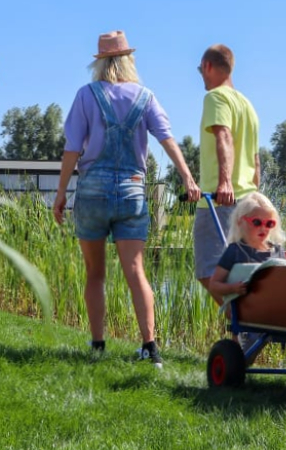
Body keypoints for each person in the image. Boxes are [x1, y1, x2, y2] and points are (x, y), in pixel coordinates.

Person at [53, 30, 200, 368]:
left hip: (92, 190)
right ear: (128, 60)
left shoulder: (86, 95)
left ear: (100, 63)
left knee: (95, 273)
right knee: (136, 271)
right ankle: (150, 347)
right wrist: (188, 177)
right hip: (132, 189)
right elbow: (167, 138)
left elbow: (73, 148)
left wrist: (61, 193)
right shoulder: (146, 97)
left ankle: (98, 346)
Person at [193, 44, 260, 305]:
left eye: (201, 70)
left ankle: (243, 325)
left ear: (208, 66)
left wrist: (224, 182)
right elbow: (255, 158)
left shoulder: (216, 97)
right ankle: (243, 334)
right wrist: (256, 195)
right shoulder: (247, 105)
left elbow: (224, 136)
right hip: (249, 201)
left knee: (208, 271)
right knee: (239, 271)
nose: (202, 76)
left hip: (220, 201)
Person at [208, 192, 286, 300]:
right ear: (240, 221)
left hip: (275, 304)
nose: (263, 228)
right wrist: (232, 288)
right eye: (257, 222)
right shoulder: (235, 250)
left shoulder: (277, 250)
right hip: (250, 307)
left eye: (269, 224)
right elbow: (214, 285)